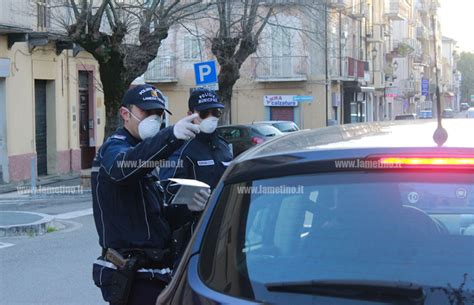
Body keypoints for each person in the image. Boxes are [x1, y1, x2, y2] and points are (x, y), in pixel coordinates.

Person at [90, 84, 208, 305]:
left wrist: (187, 208)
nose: (154, 118)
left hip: (155, 271)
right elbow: (124, 169)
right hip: (131, 274)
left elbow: (157, 220)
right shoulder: (114, 149)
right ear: (125, 114)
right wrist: (170, 136)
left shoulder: (146, 154)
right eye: (147, 112)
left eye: (159, 113)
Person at [159, 88, 233, 265]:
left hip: (225, 228)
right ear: (190, 114)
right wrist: (189, 206)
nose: (211, 117)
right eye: (204, 113)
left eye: (215, 112)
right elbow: (167, 190)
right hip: (193, 233)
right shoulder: (180, 147)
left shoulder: (223, 146)